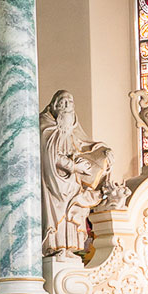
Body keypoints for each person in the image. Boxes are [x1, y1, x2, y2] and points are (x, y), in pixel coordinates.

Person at [39, 89, 113, 256]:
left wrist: (104, 153)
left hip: (73, 182)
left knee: (74, 212)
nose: (66, 106)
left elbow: (84, 146)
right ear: (54, 106)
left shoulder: (72, 127)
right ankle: (54, 248)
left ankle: (70, 249)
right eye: (63, 103)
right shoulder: (46, 126)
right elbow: (49, 156)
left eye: (69, 103)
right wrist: (74, 166)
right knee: (57, 213)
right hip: (54, 183)